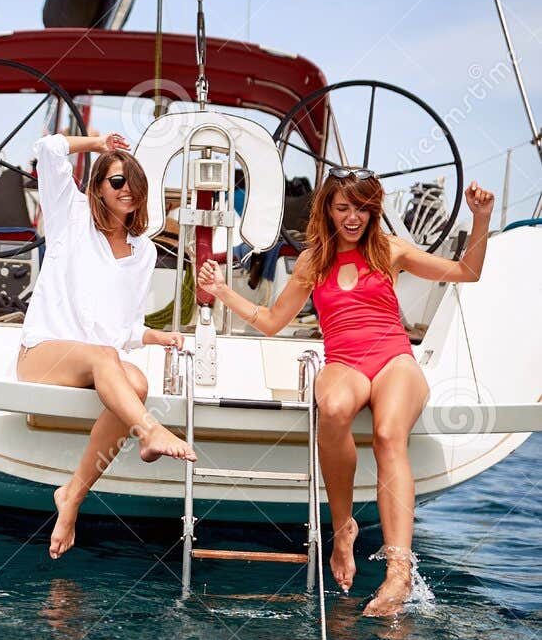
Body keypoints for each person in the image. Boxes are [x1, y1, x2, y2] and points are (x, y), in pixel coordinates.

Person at [198, 170, 495, 616]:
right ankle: (343, 530)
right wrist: (221, 290)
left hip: (394, 357)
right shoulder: (312, 262)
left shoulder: (388, 250)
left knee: (389, 435)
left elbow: (466, 272)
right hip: (345, 361)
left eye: (361, 208)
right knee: (333, 407)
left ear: (373, 211)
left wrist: (481, 219)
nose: (352, 217)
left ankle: (398, 572)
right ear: (327, 210)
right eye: (343, 207)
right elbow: (272, 321)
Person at [17, 130, 196, 559]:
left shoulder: (144, 252)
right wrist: (98, 144)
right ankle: (149, 430)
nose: (127, 190)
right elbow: (48, 149)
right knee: (108, 361)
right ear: (97, 186)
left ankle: (72, 496)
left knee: (135, 382)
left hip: (98, 362)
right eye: (116, 181)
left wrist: (160, 337)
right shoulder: (70, 215)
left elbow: (124, 328)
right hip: (42, 354)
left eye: (134, 182)